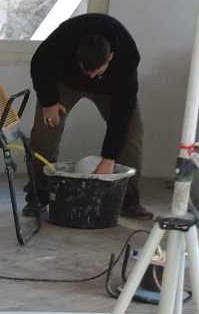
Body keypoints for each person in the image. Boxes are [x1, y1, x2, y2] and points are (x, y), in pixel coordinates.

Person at [25, 13, 153, 221]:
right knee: (44, 134)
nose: (91, 76)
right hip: (65, 83)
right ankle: (38, 195)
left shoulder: (127, 58)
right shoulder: (63, 40)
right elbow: (39, 64)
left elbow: (121, 115)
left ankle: (129, 201)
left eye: (97, 71)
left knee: (131, 134)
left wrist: (109, 158)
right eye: (87, 71)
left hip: (110, 89)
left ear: (110, 57)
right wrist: (49, 102)